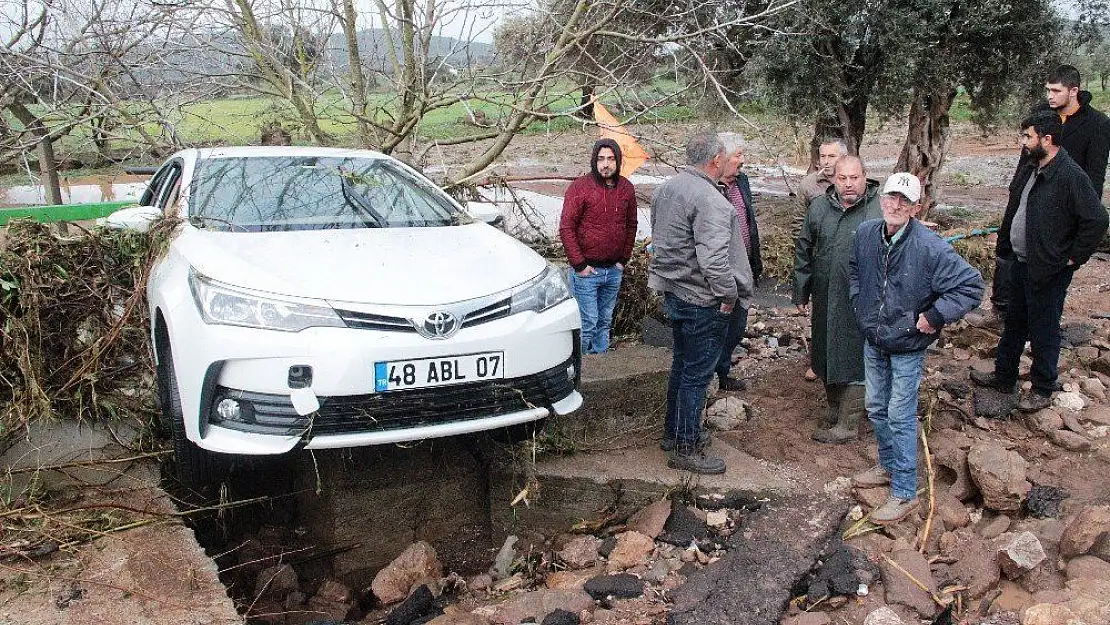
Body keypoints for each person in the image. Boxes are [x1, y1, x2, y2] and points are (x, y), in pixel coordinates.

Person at [849, 173, 984, 525]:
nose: (896, 206)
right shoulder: (865, 235)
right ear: (882, 200)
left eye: (905, 202)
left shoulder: (930, 247)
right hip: (875, 338)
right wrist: (860, 305)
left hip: (908, 343)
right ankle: (888, 465)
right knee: (876, 407)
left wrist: (936, 316)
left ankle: (905, 492)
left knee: (899, 414)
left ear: (916, 208)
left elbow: (971, 286)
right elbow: (854, 272)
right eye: (892, 198)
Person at [971, 112, 1108, 412]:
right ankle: (1003, 375)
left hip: (1049, 268)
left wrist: (1073, 257)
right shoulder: (1032, 167)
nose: (1022, 142)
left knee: (1044, 328)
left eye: (1027, 137)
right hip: (1021, 262)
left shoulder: (1070, 176)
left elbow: (1097, 219)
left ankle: (1043, 387)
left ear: (1047, 140)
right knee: (1015, 322)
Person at [649, 131, 753, 474]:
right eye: (726, 157)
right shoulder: (711, 200)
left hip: (675, 291)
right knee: (696, 375)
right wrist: (728, 295)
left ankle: (673, 433)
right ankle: (686, 446)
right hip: (701, 298)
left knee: (682, 366)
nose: (729, 162)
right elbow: (713, 261)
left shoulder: (666, 188)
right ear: (713, 161)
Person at [990, 65, 1110, 315]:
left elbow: (1094, 177)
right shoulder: (1041, 113)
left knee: (1047, 268)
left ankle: (1042, 322)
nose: (1049, 95)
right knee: (1008, 247)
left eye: (1056, 90)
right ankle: (1002, 308)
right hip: (1027, 193)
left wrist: (1077, 245)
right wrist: (1016, 191)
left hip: (1061, 207)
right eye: (1047, 90)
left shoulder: (1097, 124)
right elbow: (1026, 156)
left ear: (1074, 91)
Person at [793, 156, 882, 444]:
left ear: (865, 177)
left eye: (854, 178)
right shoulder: (819, 207)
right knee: (825, 349)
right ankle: (835, 407)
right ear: (833, 179)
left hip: (865, 299)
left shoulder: (879, 208)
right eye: (842, 178)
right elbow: (804, 249)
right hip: (825, 293)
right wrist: (801, 290)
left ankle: (849, 422)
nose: (848, 184)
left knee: (855, 354)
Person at [559, 138, 638, 354]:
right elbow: (566, 227)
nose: (606, 164)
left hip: (613, 270)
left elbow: (631, 225)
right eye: (601, 159)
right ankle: (580, 373)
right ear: (594, 161)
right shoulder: (580, 188)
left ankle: (601, 364)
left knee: (604, 322)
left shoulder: (626, 189)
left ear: (618, 161)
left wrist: (623, 260)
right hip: (587, 271)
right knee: (588, 324)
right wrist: (579, 265)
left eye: (611, 159)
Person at [797, 137, 848, 382]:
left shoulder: (852, 182)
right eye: (823, 156)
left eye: (832, 156)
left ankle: (846, 360)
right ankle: (818, 362)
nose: (827, 162)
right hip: (820, 259)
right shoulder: (808, 185)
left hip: (847, 259)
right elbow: (799, 226)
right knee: (820, 313)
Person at [715, 132, 763, 392]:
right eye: (738, 157)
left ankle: (722, 372)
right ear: (720, 159)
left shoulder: (741, 181)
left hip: (743, 266)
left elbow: (749, 221)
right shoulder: (708, 188)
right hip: (721, 270)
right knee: (719, 327)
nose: (742, 162)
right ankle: (713, 378)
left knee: (736, 326)